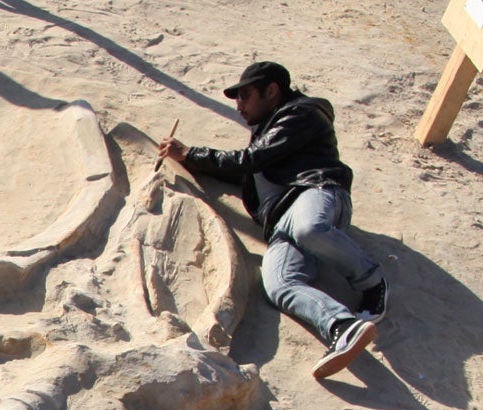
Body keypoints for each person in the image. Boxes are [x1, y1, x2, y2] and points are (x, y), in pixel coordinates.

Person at [160, 61, 385, 383]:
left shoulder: (301, 114)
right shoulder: (267, 134)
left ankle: (371, 282)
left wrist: (191, 152)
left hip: (315, 192)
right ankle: (342, 326)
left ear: (272, 91)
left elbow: (250, 160)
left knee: (309, 228)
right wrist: (190, 161)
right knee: (278, 285)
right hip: (282, 222)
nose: (239, 106)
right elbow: (244, 170)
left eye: (245, 96)